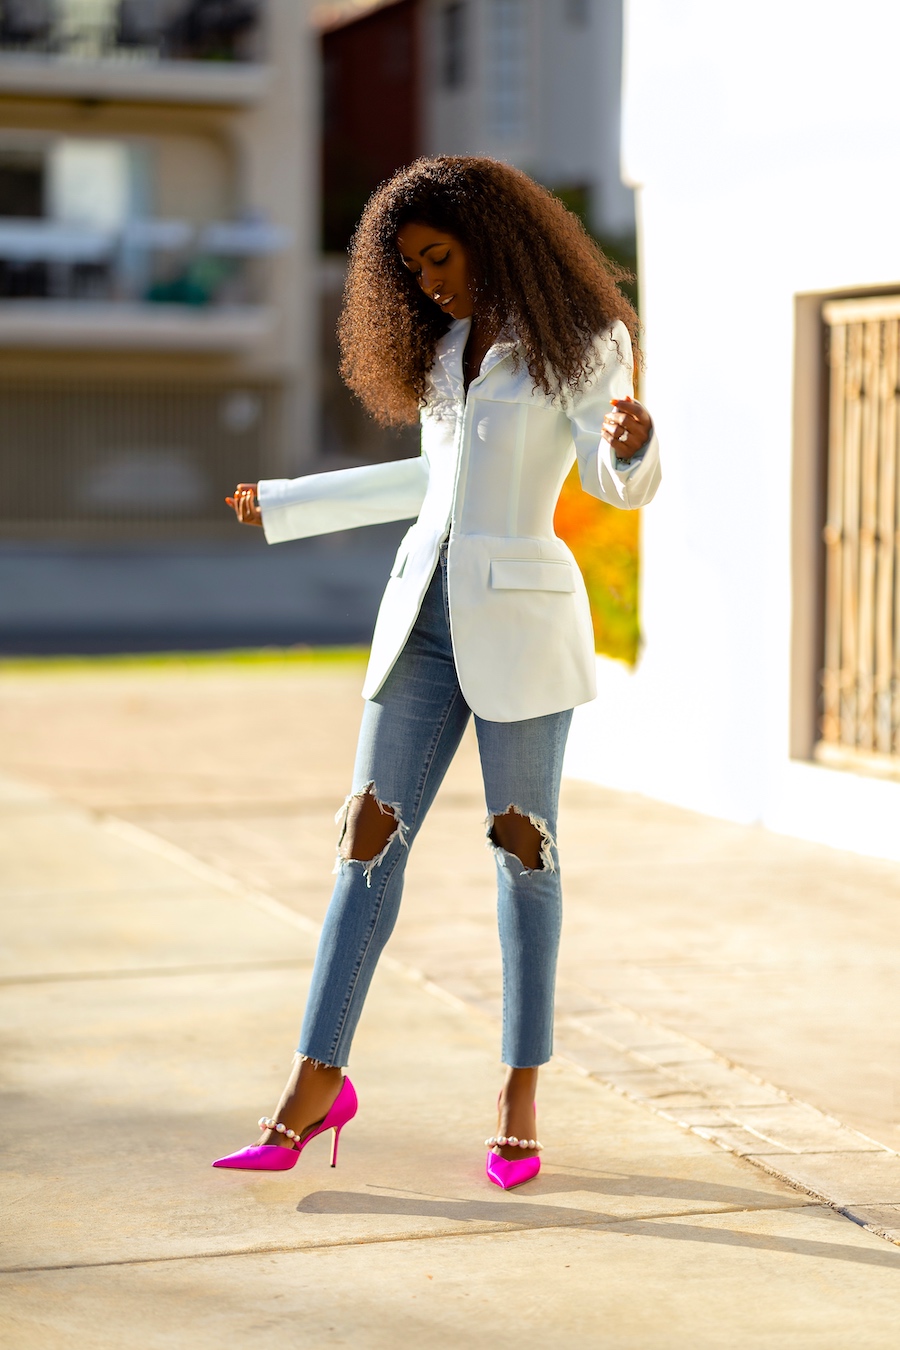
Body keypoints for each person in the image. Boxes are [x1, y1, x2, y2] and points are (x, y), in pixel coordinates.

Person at [214, 156, 660, 1190]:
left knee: (524, 851)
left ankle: (519, 1091)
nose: (427, 284)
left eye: (438, 259)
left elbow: (607, 471)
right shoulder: (448, 348)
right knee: (365, 837)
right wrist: (290, 503)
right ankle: (314, 1082)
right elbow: (432, 483)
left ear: (492, 238)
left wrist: (635, 448)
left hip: (522, 622)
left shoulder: (586, 344)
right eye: (411, 269)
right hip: (420, 618)